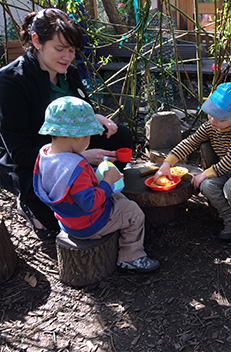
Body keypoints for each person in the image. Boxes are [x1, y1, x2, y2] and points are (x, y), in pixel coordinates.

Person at [0, 8, 133, 240]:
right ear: (37, 41)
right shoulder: (10, 82)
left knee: (119, 136)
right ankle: (33, 206)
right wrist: (79, 159)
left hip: (73, 148)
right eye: (60, 49)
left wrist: (95, 118)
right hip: (36, 160)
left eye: (71, 50)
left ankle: (92, 190)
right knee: (57, 224)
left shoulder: (68, 72)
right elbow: (20, 152)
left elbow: (80, 112)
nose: (67, 57)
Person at [33, 96, 159, 272]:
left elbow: (67, 185)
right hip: (88, 224)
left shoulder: (45, 154)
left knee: (118, 197)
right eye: (89, 136)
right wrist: (107, 181)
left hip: (66, 219)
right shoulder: (77, 165)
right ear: (78, 137)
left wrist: (97, 178)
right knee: (134, 213)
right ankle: (132, 256)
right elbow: (90, 203)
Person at [153, 82, 231, 247]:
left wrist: (204, 173)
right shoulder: (210, 127)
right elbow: (189, 143)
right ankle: (229, 218)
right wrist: (167, 163)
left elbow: (229, 161)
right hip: (226, 168)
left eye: (219, 117)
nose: (212, 119)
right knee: (207, 186)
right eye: (210, 113)